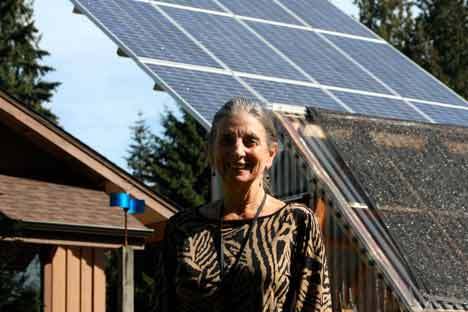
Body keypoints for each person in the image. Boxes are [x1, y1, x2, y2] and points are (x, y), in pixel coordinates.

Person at [154, 97, 331, 312]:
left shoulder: (296, 223)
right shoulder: (182, 228)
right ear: (211, 152)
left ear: (270, 155)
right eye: (227, 140)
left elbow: (315, 306)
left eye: (250, 141)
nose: (238, 151)